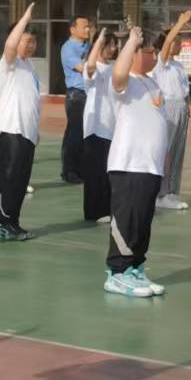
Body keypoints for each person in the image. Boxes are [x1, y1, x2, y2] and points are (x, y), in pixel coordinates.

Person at [102, 27, 170, 299]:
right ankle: (117, 274)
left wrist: (163, 161)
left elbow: (160, 124)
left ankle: (135, 268)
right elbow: (118, 73)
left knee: (142, 222)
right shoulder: (124, 82)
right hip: (128, 164)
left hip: (150, 167)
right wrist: (131, 42)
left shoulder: (152, 83)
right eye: (149, 51)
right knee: (127, 220)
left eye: (154, 52)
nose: (154, 56)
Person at [0, 3, 40, 242]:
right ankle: (1, 223)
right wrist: (24, 18)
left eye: (33, 40)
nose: (30, 44)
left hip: (27, 134)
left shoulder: (30, 68)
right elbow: (10, 46)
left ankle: (13, 222)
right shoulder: (8, 64)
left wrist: (36, 130)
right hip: (11, 131)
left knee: (20, 182)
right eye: (26, 39)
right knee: (9, 179)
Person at [154, 11, 191, 211]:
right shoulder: (161, 64)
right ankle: (160, 193)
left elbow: (185, 90)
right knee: (166, 151)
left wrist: (189, 109)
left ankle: (172, 192)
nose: (180, 45)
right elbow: (169, 39)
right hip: (168, 107)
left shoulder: (179, 66)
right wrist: (180, 23)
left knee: (178, 151)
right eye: (178, 42)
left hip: (180, 107)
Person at [79, 27, 115, 224]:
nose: (112, 48)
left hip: (112, 126)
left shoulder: (113, 68)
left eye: (112, 45)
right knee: (96, 171)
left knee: (108, 170)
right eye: (108, 45)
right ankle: (94, 211)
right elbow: (91, 65)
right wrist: (98, 40)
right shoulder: (91, 68)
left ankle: (107, 208)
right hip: (95, 126)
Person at [59, 15, 92, 183]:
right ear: (73, 29)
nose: (88, 29)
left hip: (89, 93)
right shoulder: (68, 48)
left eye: (89, 26)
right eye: (84, 26)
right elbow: (83, 68)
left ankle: (81, 169)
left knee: (86, 134)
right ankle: (69, 171)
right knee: (75, 133)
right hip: (76, 95)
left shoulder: (88, 45)